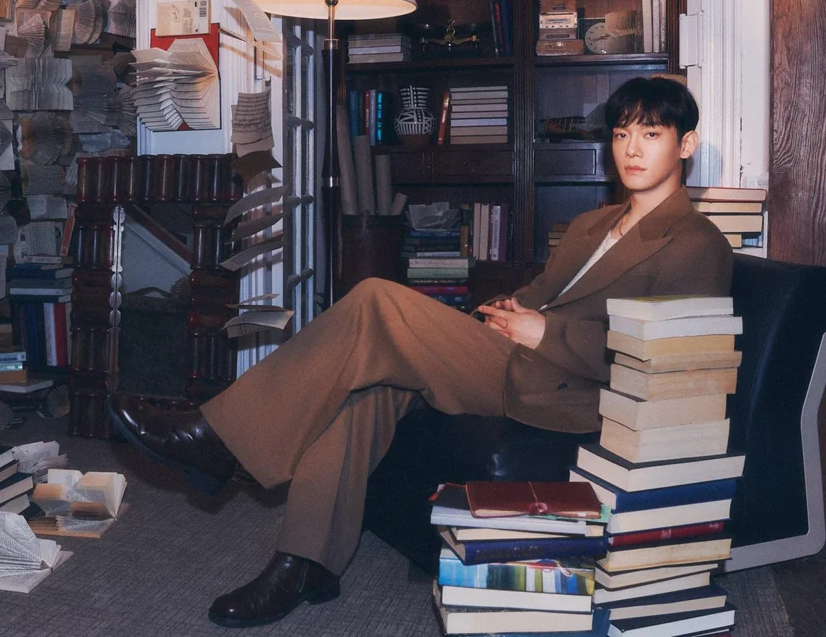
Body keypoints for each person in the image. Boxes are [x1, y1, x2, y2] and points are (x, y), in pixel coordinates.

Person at [108, 76, 733, 628]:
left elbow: (666, 361)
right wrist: (507, 312)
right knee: (364, 384)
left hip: (575, 391)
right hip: (520, 358)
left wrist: (545, 334)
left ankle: (220, 439)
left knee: (375, 300)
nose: (632, 149)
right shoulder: (593, 224)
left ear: (686, 144)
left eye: (651, 134)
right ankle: (304, 561)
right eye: (622, 134)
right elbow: (541, 294)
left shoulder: (697, 244)